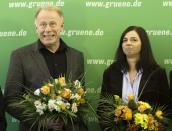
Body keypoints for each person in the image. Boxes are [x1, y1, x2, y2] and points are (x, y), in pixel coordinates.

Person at [4, 6, 86, 131]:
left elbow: (81, 97)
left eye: (53, 24)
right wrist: (42, 121)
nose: (48, 29)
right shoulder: (20, 56)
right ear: (36, 28)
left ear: (61, 26)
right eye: (42, 25)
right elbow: (11, 100)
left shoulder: (77, 56)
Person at [98, 26, 171, 130]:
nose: (128, 43)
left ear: (143, 44)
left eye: (134, 40)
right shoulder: (110, 73)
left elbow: (166, 110)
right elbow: (103, 109)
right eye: (125, 40)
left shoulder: (157, 73)